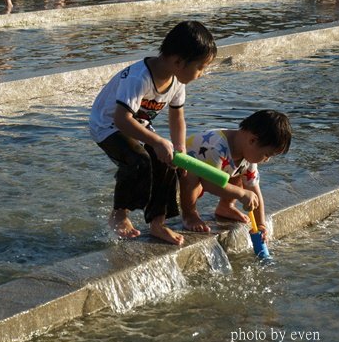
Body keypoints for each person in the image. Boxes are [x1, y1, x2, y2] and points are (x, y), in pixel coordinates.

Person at [89, 20, 217, 245]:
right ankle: (120, 214)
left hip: (137, 123)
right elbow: (121, 119)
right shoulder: (140, 77)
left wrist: (180, 149)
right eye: (200, 67)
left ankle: (158, 223)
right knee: (139, 160)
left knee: (168, 161)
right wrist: (157, 141)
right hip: (108, 125)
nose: (201, 74)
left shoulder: (177, 81)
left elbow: (177, 117)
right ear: (178, 61)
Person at [179, 110, 292, 238]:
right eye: (266, 155)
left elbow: (254, 190)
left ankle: (226, 206)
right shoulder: (214, 146)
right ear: (253, 140)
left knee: (240, 172)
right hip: (177, 180)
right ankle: (189, 214)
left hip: (208, 179)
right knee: (191, 173)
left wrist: (261, 225)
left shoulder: (248, 153)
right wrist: (241, 194)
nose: (266, 160)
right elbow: (209, 183)